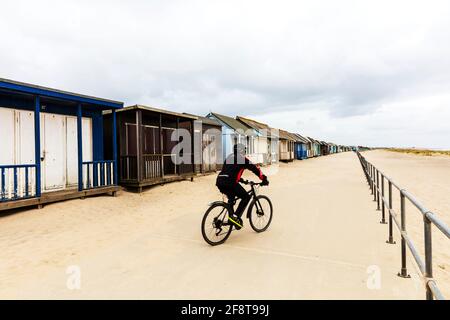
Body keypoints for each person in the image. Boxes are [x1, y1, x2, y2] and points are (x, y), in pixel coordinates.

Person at [216, 143, 269, 229]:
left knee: (231, 199)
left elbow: (229, 171)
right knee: (246, 197)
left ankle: (230, 218)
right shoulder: (243, 159)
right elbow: (255, 169)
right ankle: (235, 217)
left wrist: (242, 180)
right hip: (230, 182)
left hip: (220, 181)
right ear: (242, 151)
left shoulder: (229, 157)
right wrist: (264, 179)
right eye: (244, 150)